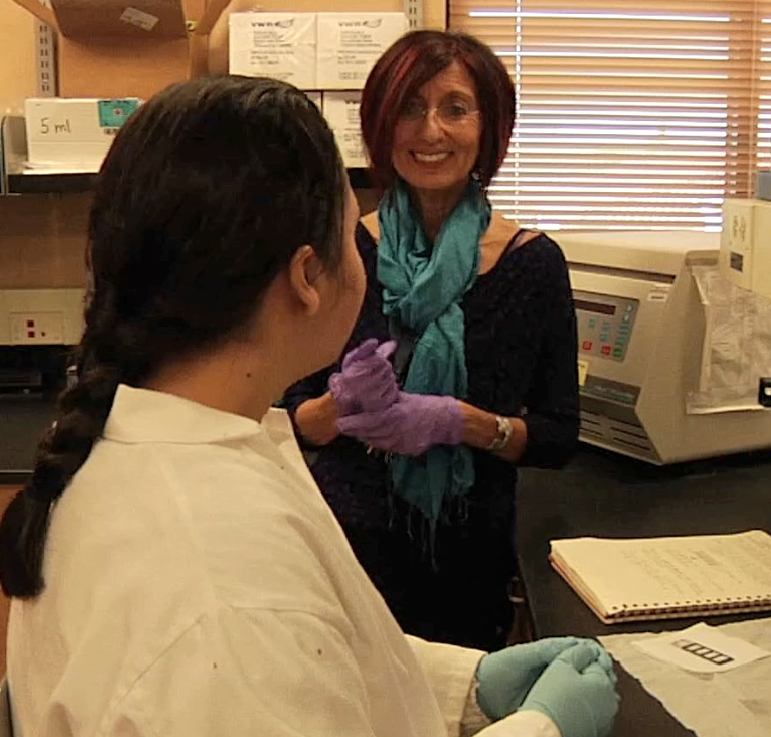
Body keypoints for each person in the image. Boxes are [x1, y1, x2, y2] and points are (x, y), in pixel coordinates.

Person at [0, 75, 618, 737]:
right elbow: (260, 641)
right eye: (353, 233)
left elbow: (305, 655)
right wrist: (543, 730)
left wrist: (465, 687)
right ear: (305, 278)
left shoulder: (162, 448)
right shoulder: (227, 592)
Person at [283, 30, 581, 652]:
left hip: (467, 563)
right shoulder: (340, 253)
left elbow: (557, 435)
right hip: (342, 554)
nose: (431, 130)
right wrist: (338, 408)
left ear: (490, 126)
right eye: (411, 108)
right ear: (382, 125)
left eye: (455, 108)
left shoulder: (534, 265)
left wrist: (461, 423)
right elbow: (288, 422)